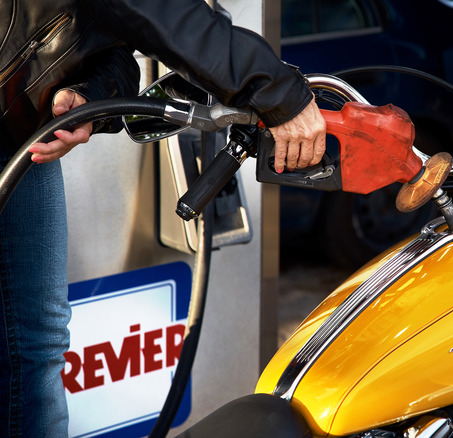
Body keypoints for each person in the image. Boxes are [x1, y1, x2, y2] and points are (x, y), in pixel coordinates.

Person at [0, 1, 327, 436]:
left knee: (38, 346)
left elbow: (111, 41)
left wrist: (90, 96)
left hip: (17, 128)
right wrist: (275, 89)